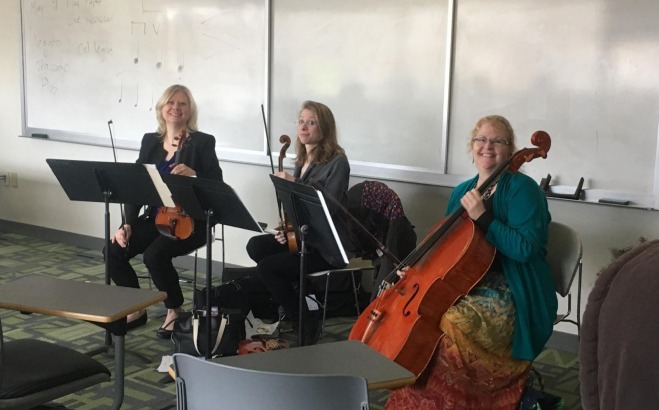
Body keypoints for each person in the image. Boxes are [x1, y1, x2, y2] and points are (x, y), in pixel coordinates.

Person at [386, 115, 557, 409]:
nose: (487, 146)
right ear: (472, 145)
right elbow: (445, 248)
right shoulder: (462, 191)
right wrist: (417, 267)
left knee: (451, 323)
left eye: (497, 141)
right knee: (421, 320)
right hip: (469, 283)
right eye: (481, 139)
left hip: (515, 288)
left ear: (510, 149)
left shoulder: (522, 190)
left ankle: (464, 401)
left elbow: (526, 249)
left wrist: (484, 217)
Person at [106, 84, 223, 339]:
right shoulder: (150, 142)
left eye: (182, 103)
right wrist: (126, 223)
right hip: (157, 216)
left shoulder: (202, 142)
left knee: (155, 255)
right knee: (113, 249)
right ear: (161, 108)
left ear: (190, 110)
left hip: (192, 220)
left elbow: (217, 184)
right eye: (171, 102)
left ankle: (175, 310)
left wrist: (195, 175)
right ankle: (135, 308)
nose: (176, 108)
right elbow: (137, 186)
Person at [245, 100, 352, 346]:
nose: (304, 127)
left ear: (324, 127)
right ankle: (297, 298)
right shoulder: (302, 159)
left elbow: (325, 207)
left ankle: (303, 319)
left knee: (269, 268)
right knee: (256, 246)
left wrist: (293, 182)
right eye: (301, 121)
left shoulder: (338, 162)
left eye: (311, 122)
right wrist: (287, 229)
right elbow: (297, 209)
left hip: (327, 246)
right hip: (304, 238)